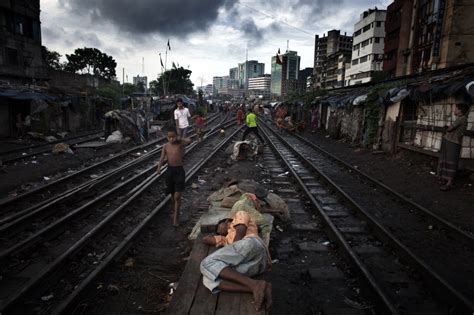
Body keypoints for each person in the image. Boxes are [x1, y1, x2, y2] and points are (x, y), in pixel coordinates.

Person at [200, 210, 272, 311]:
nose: (219, 230)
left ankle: (253, 285)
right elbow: (206, 240)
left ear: (226, 221)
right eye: (217, 231)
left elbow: (241, 230)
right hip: (258, 263)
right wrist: (216, 237)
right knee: (208, 279)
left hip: (251, 244)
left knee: (206, 263)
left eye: (219, 227)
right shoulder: (226, 240)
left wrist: (230, 245)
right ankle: (258, 286)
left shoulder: (239, 215)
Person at [156, 128, 191, 226]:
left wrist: (179, 139)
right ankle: (174, 210)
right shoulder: (166, 146)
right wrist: (158, 168)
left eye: (173, 137)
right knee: (172, 195)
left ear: (176, 137)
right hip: (169, 171)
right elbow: (162, 158)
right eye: (169, 137)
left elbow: (189, 140)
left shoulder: (180, 144)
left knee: (177, 196)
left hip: (179, 171)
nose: (171, 139)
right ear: (167, 137)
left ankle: (176, 218)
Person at [438, 103, 469, 191]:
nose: (454, 110)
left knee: (451, 161)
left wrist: (447, 128)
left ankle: (449, 183)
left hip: (453, 143)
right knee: (447, 159)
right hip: (450, 141)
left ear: (460, 111)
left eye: (456, 109)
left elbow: (450, 129)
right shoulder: (460, 119)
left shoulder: (461, 119)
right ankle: (445, 179)